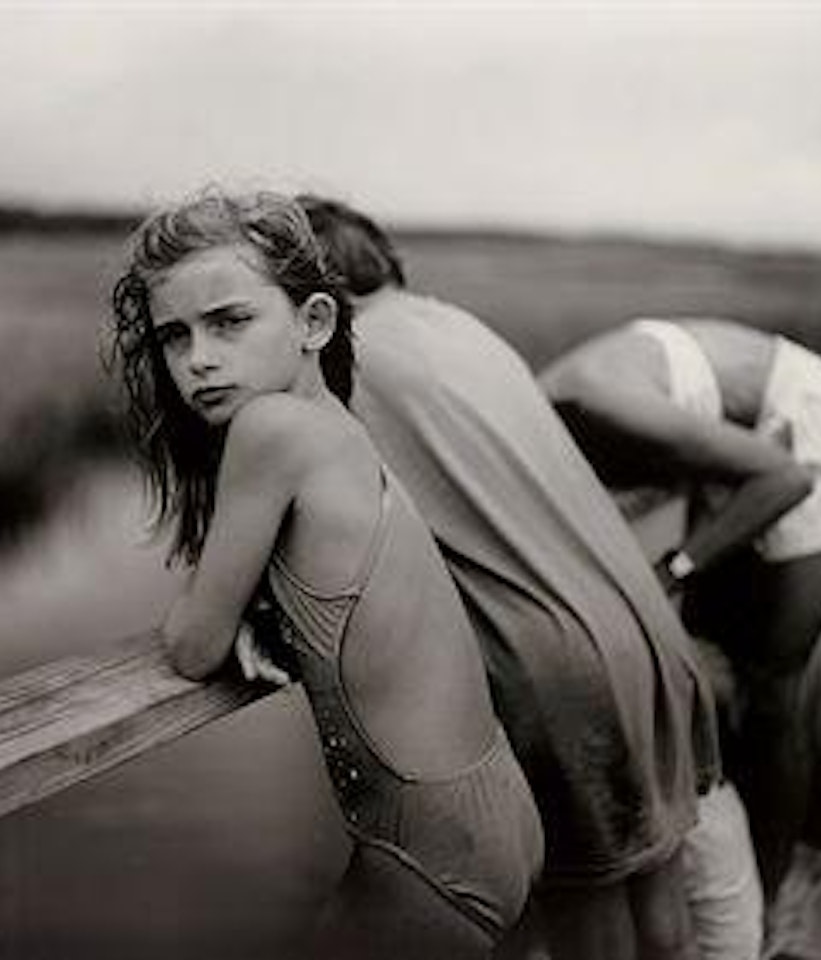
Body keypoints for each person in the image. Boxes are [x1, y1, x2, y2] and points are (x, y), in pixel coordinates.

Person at [299, 196, 744, 960]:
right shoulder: (465, 330)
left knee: (590, 929)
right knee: (661, 914)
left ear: (311, 295)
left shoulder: (341, 361)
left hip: (552, 664)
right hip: (646, 637)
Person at [103, 188, 544, 959]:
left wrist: (218, 614)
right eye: (174, 335)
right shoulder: (338, 427)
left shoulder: (270, 430)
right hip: (488, 807)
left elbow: (193, 646)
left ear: (313, 322)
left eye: (229, 321)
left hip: (429, 845)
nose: (197, 358)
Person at [540, 317, 821, 899]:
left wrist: (674, 568)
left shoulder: (595, 402)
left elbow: (785, 480)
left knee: (770, 689)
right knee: (697, 670)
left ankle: (770, 895)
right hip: (738, 451)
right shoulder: (543, 415)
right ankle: (710, 871)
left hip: (814, 441)